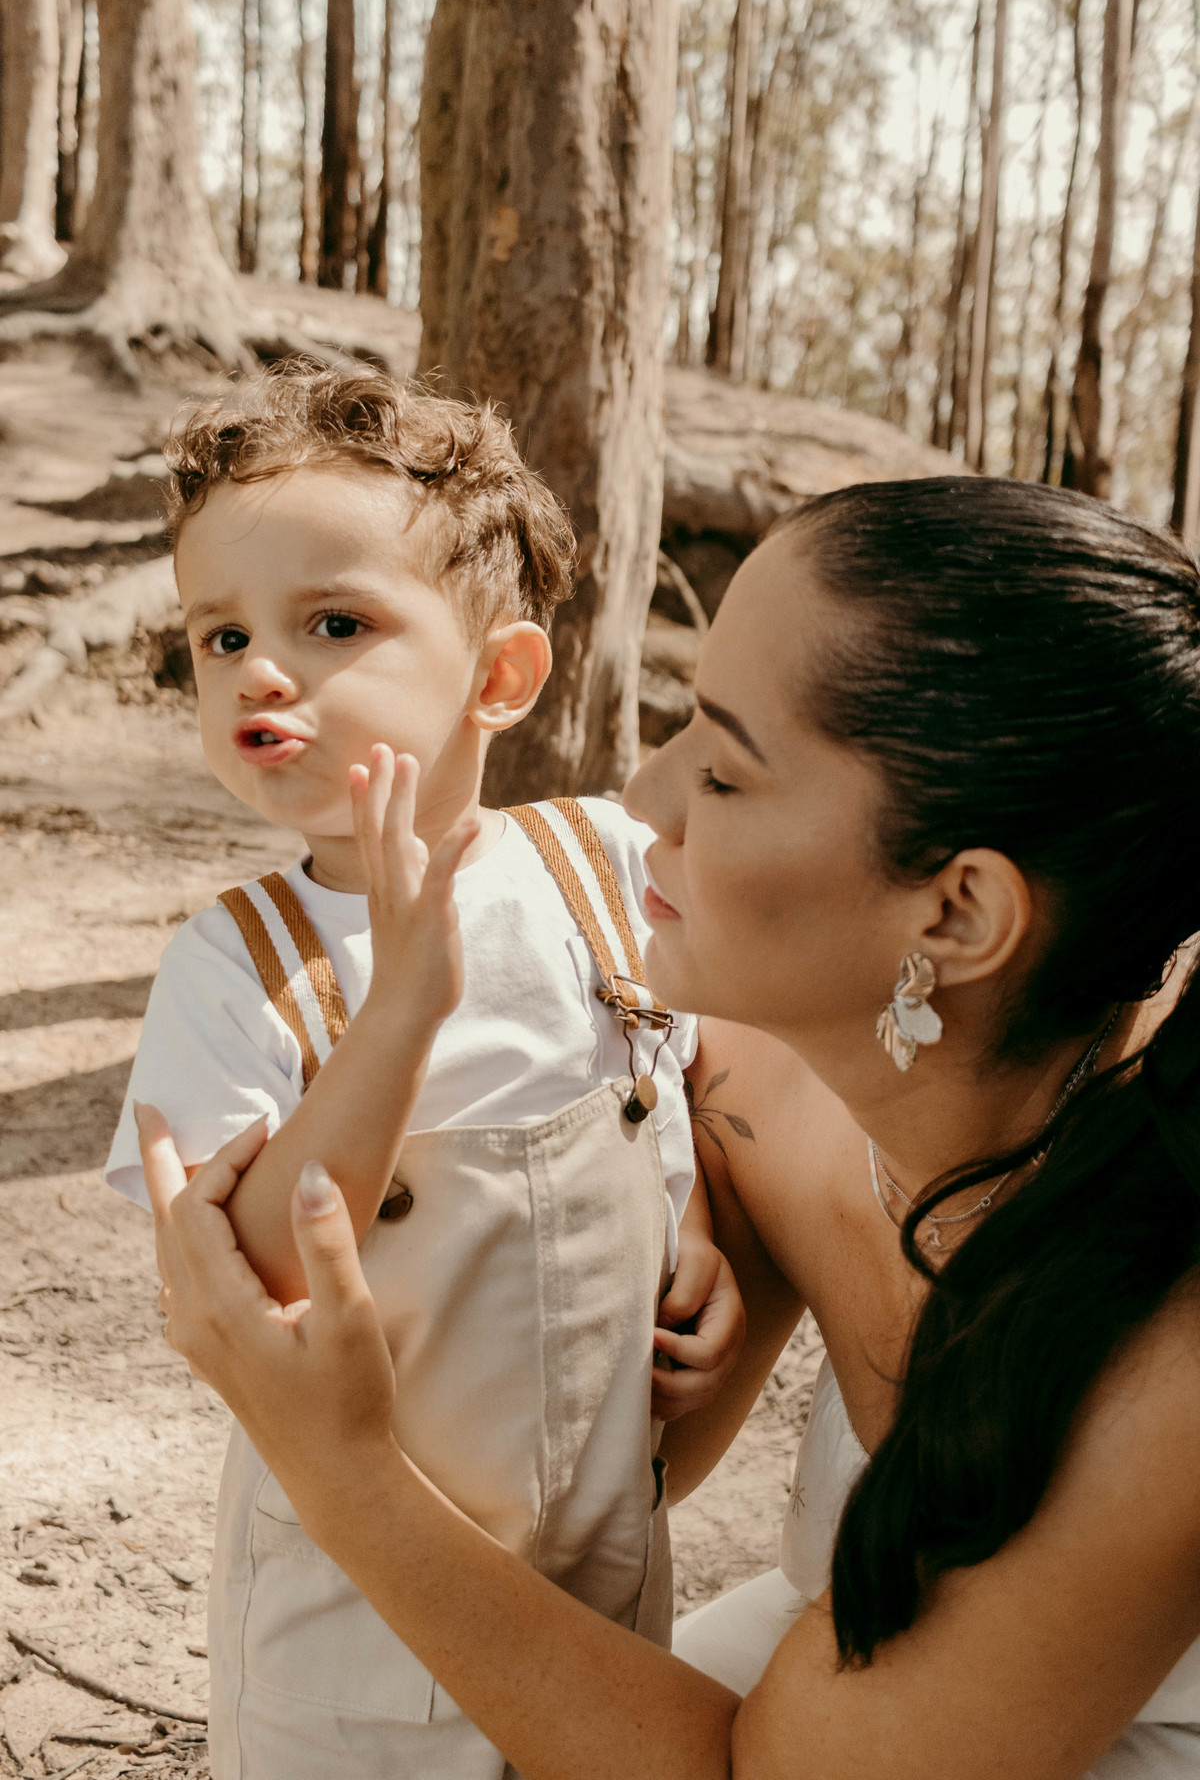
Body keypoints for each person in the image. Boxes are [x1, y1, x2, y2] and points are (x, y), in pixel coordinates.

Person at [140, 475, 1200, 1779]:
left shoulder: (1159, 1382)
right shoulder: (765, 1083)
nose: (642, 795)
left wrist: (343, 1471)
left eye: (725, 768)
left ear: (959, 913)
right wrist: (687, 1242)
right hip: (846, 1680)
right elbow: (645, 1441)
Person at [107, 364, 743, 1780]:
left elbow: (670, 1090)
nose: (261, 671)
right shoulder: (235, 968)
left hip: (597, 1568)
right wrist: (397, 1011)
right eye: (221, 636)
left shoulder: (601, 869)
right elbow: (247, 1281)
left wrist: (698, 1240)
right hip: (353, 1607)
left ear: (499, 679)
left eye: (334, 623)